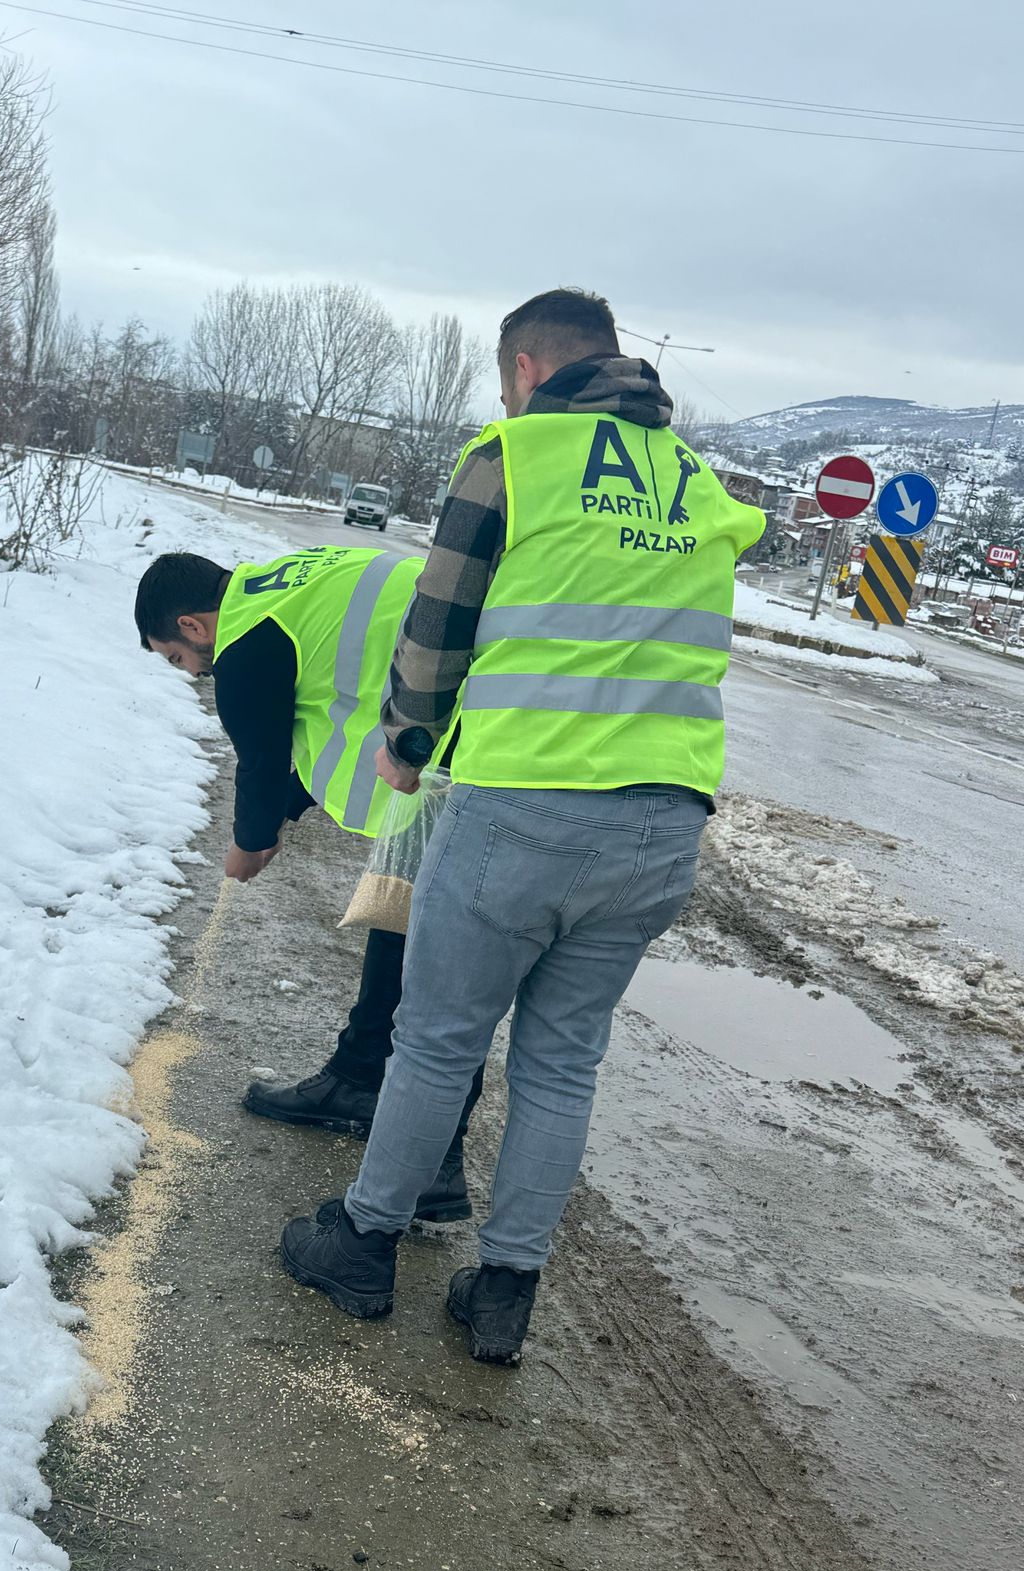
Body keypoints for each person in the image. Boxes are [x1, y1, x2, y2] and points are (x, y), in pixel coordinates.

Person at [280, 288, 766, 1366]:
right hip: (663, 822)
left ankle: (361, 1240)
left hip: (522, 805)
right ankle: (504, 1290)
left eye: (509, 379)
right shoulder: (697, 481)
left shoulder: (517, 451)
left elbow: (441, 613)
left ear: (530, 370)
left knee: (439, 1036)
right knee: (563, 1060)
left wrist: (407, 738)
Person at [134, 547, 483, 1221]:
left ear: (194, 626)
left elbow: (260, 757)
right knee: (400, 907)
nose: (190, 673)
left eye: (176, 657)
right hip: (450, 722)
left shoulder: (241, 649)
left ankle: (436, 1162)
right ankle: (356, 1077)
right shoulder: (284, 586)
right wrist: (286, 815)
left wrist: (250, 843)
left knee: (442, 957)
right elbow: (331, 721)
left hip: (473, 742)